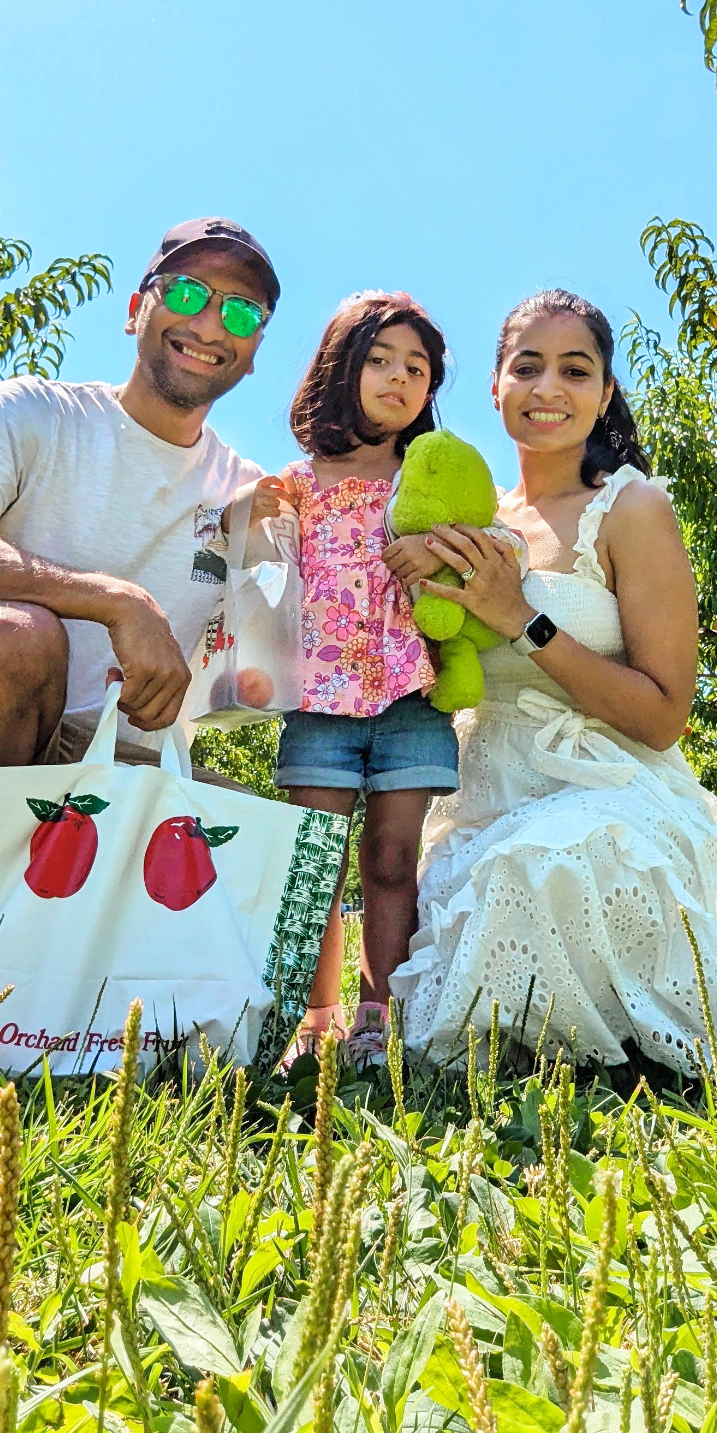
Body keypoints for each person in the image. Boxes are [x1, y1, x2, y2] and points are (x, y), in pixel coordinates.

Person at [382, 289, 717, 1079]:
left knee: (554, 859)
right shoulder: (471, 521)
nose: (547, 388)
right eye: (527, 367)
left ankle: (637, 1047)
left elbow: (662, 716)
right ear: (493, 386)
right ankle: (554, 1053)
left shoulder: (630, 507)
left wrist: (522, 618)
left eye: (574, 369)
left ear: (604, 392)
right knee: (477, 914)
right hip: (482, 797)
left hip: (610, 789)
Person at [0, 218, 277, 1018]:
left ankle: (80, 1013)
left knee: (271, 836)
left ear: (254, 351)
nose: (212, 323)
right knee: (12, 637)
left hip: (129, 762)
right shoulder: (37, 414)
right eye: (188, 293)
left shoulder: (247, 495)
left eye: (244, 312)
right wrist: (111, 598)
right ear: (135, 308)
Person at [240, 292, 461, 1064]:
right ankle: (314, 1017)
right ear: (342, 365)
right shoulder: (302, 481)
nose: (399, 378)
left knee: (393, 859)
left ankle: (379, 1016)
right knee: (315, 858)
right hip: (321, 701)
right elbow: (244, 558)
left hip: (409, 693)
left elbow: (484, 550)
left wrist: (437, 553)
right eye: (380, 360)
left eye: (417, 368)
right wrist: (246, 510)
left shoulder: (425, 478)